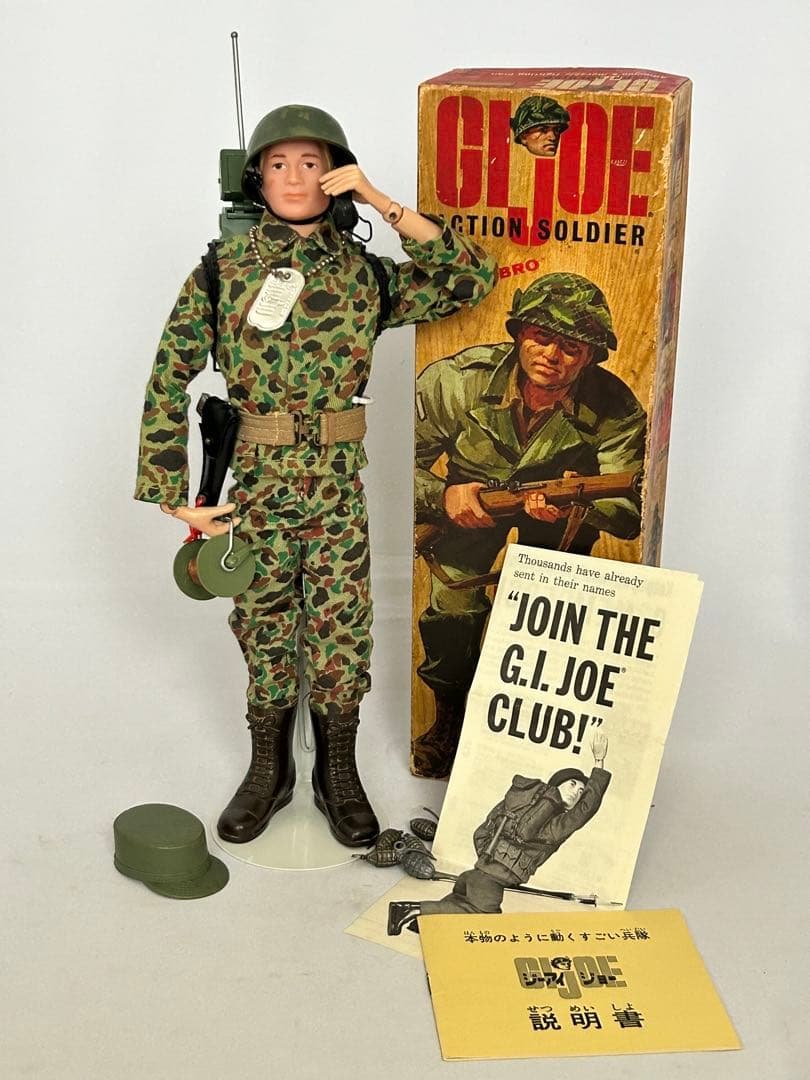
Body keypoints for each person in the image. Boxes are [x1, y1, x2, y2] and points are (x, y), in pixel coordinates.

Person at [135, 104, 496, 848]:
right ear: (256, 179)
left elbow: (468, 279)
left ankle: (338, 771)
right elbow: (169, 377)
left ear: (335, 174)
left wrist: (381, 200)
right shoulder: (222, 271)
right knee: (263, 619)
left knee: (342, 625)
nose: (294, 178)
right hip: (257, 484)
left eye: (311, 163)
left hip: (336, 486)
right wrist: (177, 497)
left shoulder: (364, 275)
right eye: (278, 164)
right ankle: (269, 769)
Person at [412, 273, 646, 777]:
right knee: (451, 615)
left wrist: (578, 505)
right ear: (520, 332)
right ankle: (449, 723)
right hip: (469, 508)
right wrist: (443, 496)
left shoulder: (617, 408)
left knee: (549, 622)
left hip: (562, 521)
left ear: (590, 356)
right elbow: (389, 466)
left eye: (571, 347)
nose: (551, 355)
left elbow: (631, 512)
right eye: (541, 336)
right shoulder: (456, 381)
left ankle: (527, 738)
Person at [388, 734, 610, 934]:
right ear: (556, 785)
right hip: (491, 880)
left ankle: (423, 924)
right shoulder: (556, 826)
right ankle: (411, 909)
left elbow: (484, 830)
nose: (576, 793)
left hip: (478, 872)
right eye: (572, 785)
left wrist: (487, 859)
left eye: (581, 791)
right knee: (487, 919)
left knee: (462, 904)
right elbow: (585, 810)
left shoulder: (521, 803)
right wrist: (599, 762)